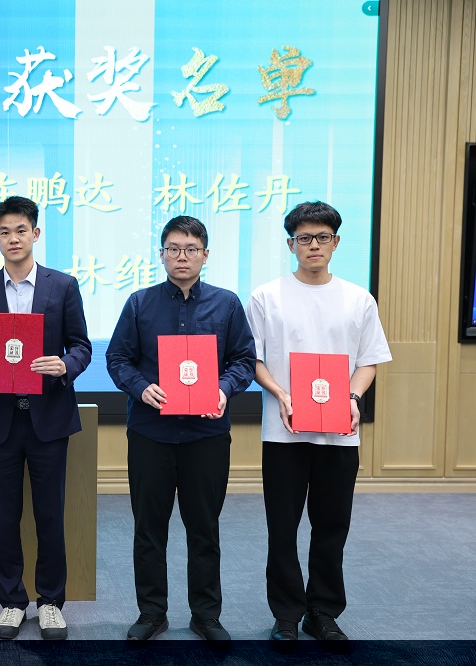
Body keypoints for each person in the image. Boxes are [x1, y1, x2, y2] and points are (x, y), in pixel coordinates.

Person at [246, 201, 391, 643]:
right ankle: (287, 615)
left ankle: (323, 612)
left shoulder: (358, 299)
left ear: (336, 242)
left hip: (340, 435)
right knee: (282, 528)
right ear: (291, 244)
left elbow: (368, 361)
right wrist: (280, 393)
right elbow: (252, 359)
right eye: (304, 238)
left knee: (331, 527)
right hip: (284, 432)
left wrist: (353, 397)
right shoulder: (266, 297)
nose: (314, 245)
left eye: (322, 237)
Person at [106, 215, 255, 642]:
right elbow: (117, 359)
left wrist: (224, 389)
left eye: (191, 249)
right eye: (173, 249)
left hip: (206, 436)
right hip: (151, 433)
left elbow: (244, 360)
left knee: (204, 528)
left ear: (205, 255)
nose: (182, 257)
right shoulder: (139, 303)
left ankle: (206, 615)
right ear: (161, 254)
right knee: (148, 528)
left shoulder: (227, 304)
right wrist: (141, 387)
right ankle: (152, 613)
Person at [0, 196, 91, 640]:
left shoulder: (63, 286)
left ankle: (51, 601)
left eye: (21, 230)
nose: (13, 238)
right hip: (0, 419)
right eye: (5, 232)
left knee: (50, 515)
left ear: (35, 233)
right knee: (4, 517)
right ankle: (12, 601)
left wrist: (65, 365)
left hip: (48, 420)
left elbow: (81, 346)